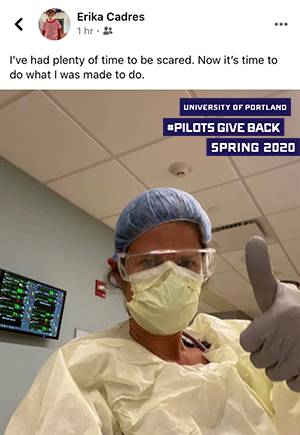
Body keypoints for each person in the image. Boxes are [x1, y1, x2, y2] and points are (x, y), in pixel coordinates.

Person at [4, 188, 300, 434]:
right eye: (149, 263)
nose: (171, 277)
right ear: (120, 274)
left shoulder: (240, 349)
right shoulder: (81, 369)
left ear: (203, 271)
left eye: (186, 263)